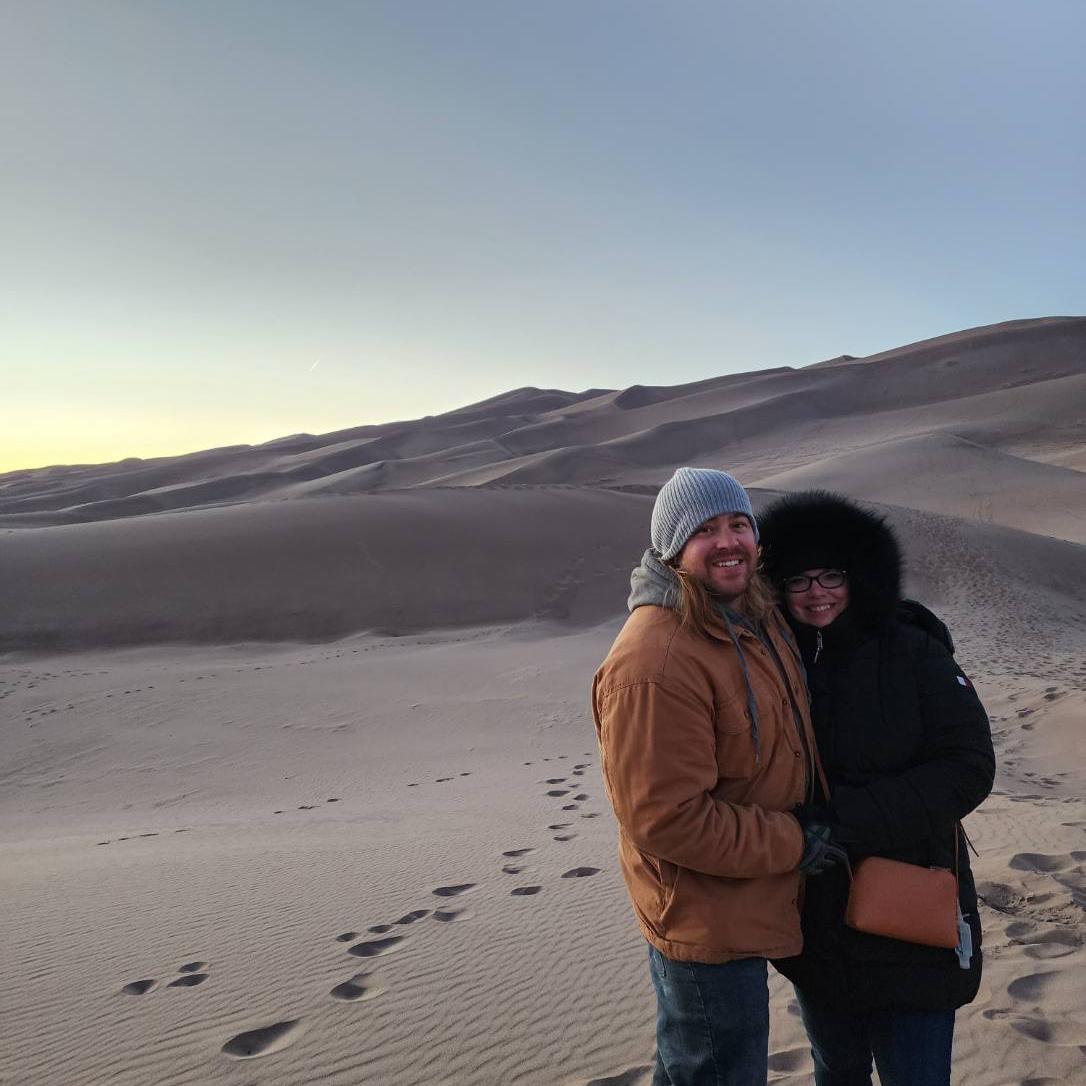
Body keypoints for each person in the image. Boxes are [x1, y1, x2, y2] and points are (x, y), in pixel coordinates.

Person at [592, 467, 846, 1086]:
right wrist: (794, 840)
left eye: (738, 524)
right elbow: (665, 819)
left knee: (695, 1067)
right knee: (716, 1071)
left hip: (753, 893)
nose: (728, 541)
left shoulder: (752, 620)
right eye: (705, 529)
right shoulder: (656, 659)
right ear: (673, 547)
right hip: (704, 915)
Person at [758, 490, 995, 1086]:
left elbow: (969, 766)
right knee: (837, 1071)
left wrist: (839, 819)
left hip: (909, 909)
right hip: (817, 923)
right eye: (798, 580)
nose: (817, 593)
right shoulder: (778, 662)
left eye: (831, 575)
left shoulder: (914, 651)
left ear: (858, 575)